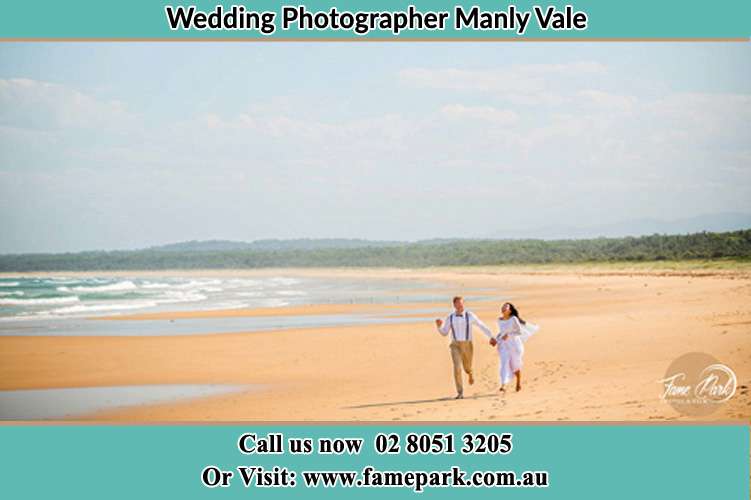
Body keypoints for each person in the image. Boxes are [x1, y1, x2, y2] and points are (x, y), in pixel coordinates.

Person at [435, 296, 493, 399]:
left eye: (461, 303)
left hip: (467, 344)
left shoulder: (469, 315)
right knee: (457, 367)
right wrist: (439, 326)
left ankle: (470, 372)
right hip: (455, 345)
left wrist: (491, 336)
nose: (460, 305)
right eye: (457, 304)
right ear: (454, 305)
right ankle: (460, 392)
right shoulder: (450, 317)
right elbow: (444, 333)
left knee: (467, 366)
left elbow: (481, 325)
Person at [490, 302, 539, 392]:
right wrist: (495, 340)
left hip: (514, 345)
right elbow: (501, 333)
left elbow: (519, 332)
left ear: (510, 310)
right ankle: (503, 384)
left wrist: (509, 335)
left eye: (506, 307)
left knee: (515, 365)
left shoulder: (513, 319)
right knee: (504, 363)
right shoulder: (499, 320)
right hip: (504, 345)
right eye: (503, 307)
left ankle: (518, 382)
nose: (504, 308)